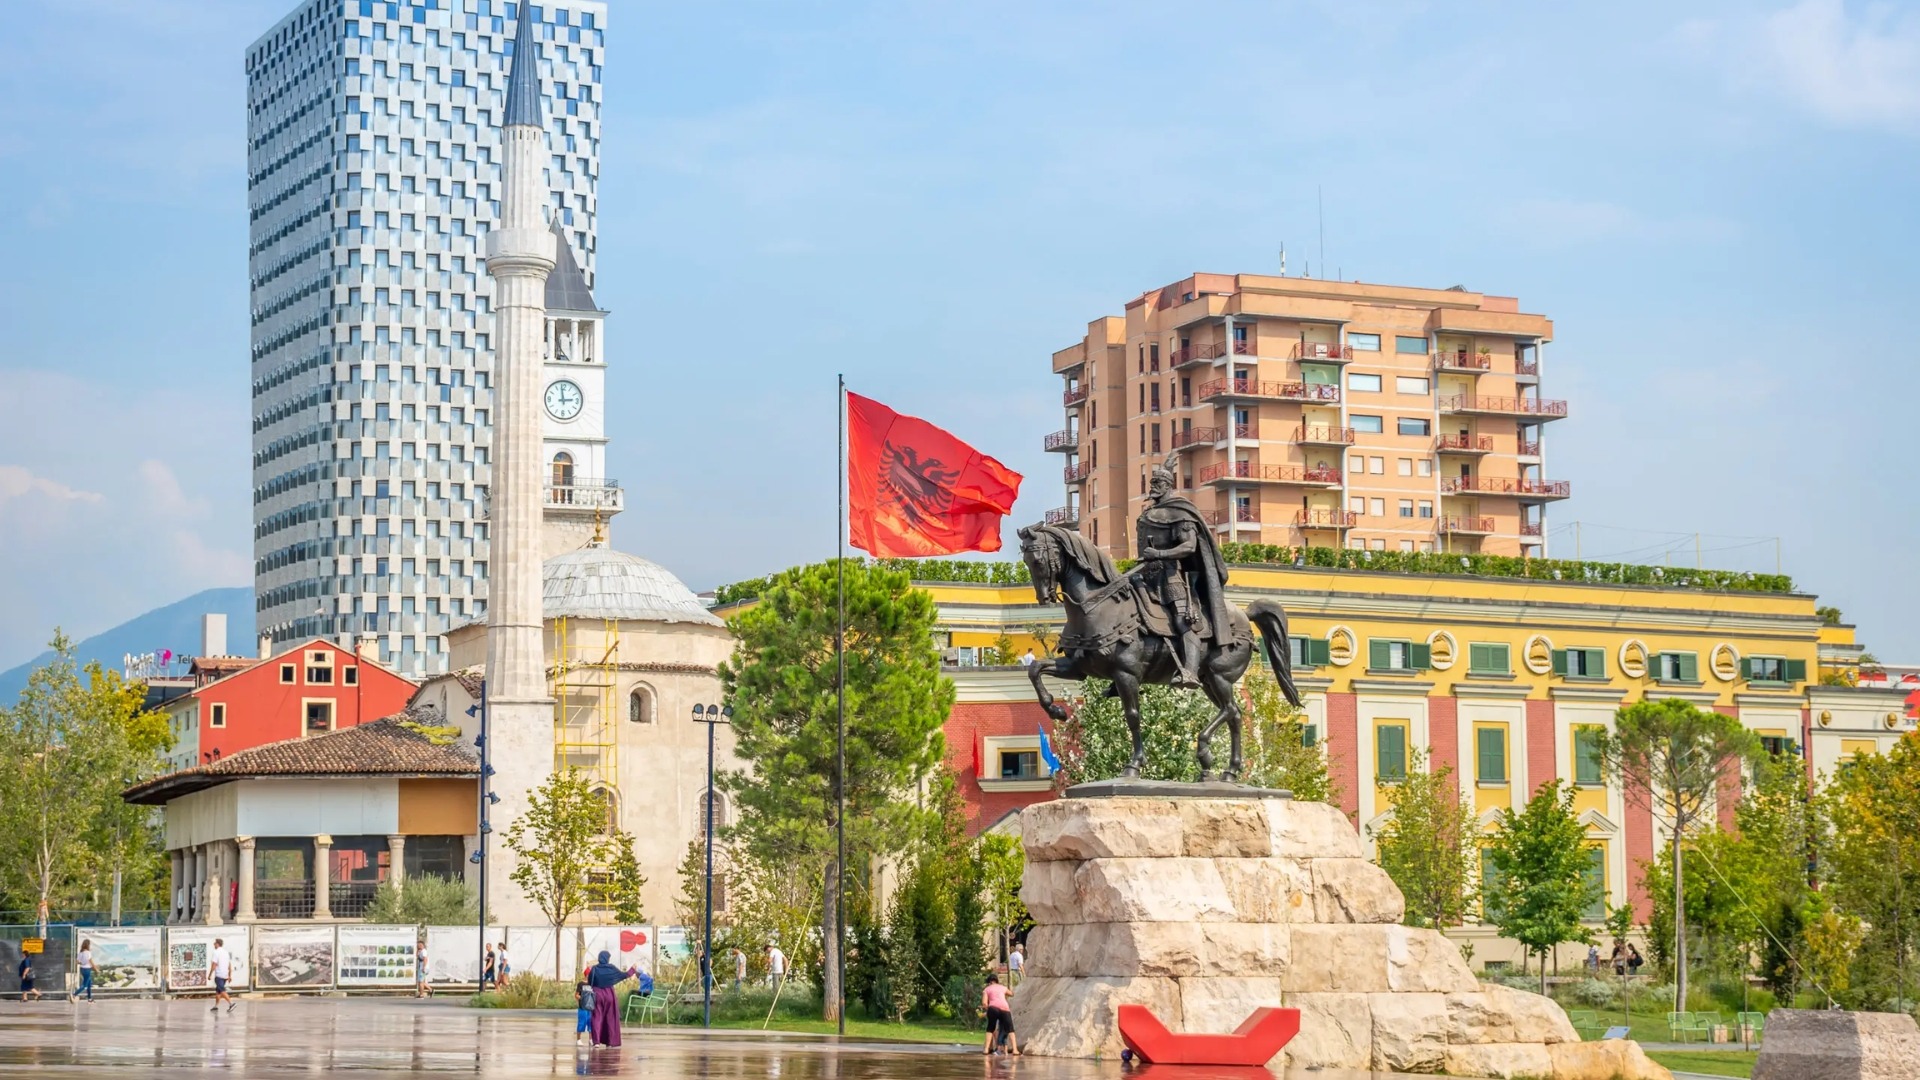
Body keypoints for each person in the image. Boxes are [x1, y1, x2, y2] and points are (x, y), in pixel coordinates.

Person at [1133, 451, 1233, 689]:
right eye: (1152, 483)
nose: (1153, 487)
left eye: (1157, 483)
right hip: (1146, 574)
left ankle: (1189, 671)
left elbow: (1189, 546)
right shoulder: (1148, 513)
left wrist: (1159, 554)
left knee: (1183, 621)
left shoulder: (1180, 512)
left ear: (1168, 485)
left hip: (1172, 576)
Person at [584, 951, 637, 1048]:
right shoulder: (611, 968)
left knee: (596, 1018)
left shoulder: (595, 969)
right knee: (610, 1018)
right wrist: (632, 970)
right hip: (609, 995)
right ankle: (610, 1041)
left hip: (597, 995)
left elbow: (590, 981)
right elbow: (623, 975)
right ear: (607, 958)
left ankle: (596, 1042)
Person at [981, 973, 1018, 1056]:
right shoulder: (1002, 987)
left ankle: (986, 1049)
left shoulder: (987, 989)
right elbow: (1011, 994)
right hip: (1004, 1008)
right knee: (1010, 1029)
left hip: (993, 1008)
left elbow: (984, 1003)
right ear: (996, 981)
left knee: (990, 1028)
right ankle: (1015, 1050)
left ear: (989, 982)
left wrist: (988, 1009)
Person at [208, 937, 233, 1013]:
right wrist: (229, 975)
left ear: (217, 944)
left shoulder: (216, 952)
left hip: (219, 975)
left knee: (222, 990)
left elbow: (214, 964)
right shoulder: (225, 952)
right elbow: (229, 965)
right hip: (225, 975)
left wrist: (210, 975)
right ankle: (216, 1006)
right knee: (218, 991)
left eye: (214, 943)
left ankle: (231, 1004)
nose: (213, 944)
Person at [574, 970, 595, 1045]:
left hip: (591, 1007)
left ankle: (591, 1039)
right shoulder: (581, 984)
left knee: (591, 1023)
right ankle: (578, 1039)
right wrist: (582, 998)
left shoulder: (593, 984)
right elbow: (576, 995)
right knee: (581, 1022)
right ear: (586, 975)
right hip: (582, 1007)